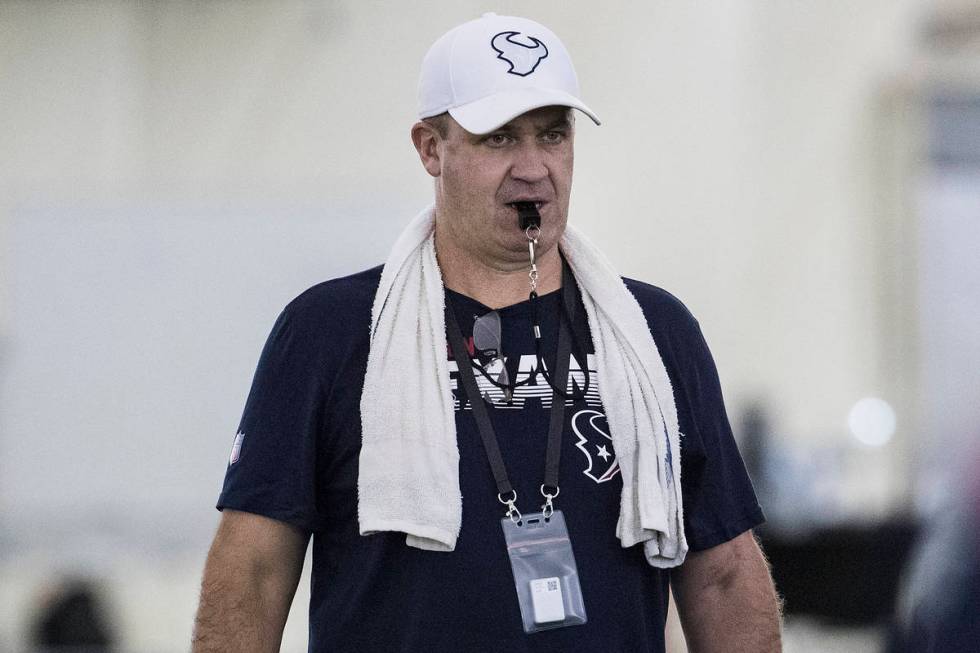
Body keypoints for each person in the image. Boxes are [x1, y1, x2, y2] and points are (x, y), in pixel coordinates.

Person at [192, 13, 782, 653]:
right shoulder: (330, 332)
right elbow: (251, 573)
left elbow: (722, 576)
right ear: (429, 148)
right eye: (499, 139)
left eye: (553, 136)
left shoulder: (654, 334)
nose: (534, 169)